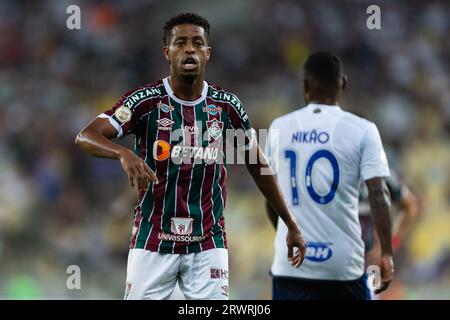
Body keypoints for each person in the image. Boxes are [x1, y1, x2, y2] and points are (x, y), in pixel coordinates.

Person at [75, 12, 306, 300]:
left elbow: (257, 165)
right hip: (153, 241)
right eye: (180, 42)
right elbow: (86, 135)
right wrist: (123, 153)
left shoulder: (226, 107)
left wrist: (291, 224)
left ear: (207, 53)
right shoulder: (145, 102)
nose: (189, 49)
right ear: (167, 52)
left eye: (197, 43)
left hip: (208, 244)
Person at [265, 52, 393, 300]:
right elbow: (379, 193)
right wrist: (386, 253)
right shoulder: (363, 129)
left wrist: (288, 233)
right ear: (343, 83)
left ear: (304, 85)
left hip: (290, 265)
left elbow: (270, 197)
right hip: (342, 267)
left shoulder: (278, 127)